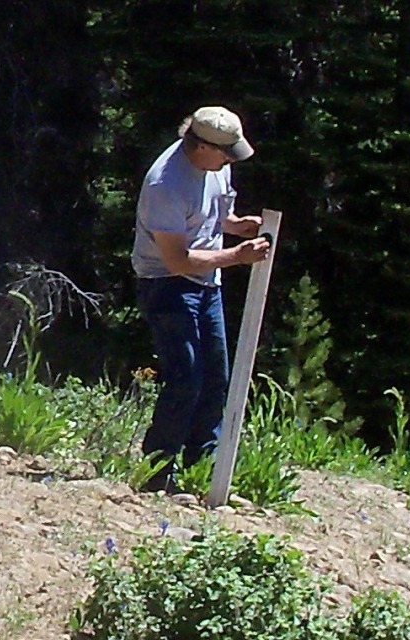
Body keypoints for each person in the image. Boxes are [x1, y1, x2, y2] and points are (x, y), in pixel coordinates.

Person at [131, 105, 270, 493]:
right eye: (226, 152)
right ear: (202, 145)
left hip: (207, 283)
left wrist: (238, 226)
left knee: (215, 378)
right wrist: (238, 257)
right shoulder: (166, 184)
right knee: (186, 378)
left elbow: (214, 214)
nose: (230, 159)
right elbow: (177, 259)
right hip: (167, 283)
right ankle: (156, 473)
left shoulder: (216, 165)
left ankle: (201, 470)